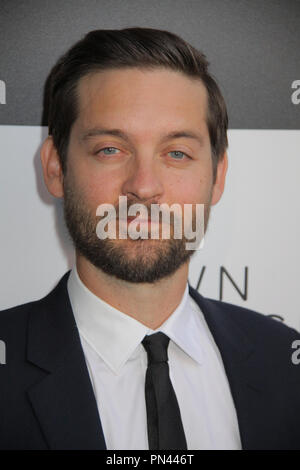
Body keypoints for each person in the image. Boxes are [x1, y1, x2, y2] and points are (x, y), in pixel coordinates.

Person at [0, 27, 299, 451]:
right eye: (110, 149)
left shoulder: (285, 362)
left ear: (218, 177)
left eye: (176, 153)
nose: (143, 187)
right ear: (55, 168)